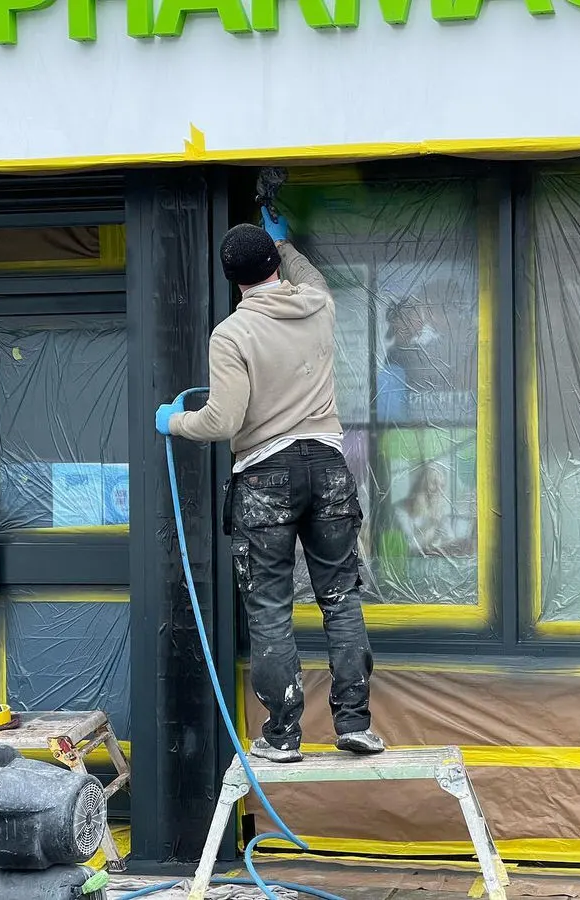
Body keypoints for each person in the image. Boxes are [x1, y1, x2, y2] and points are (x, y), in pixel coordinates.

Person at [155, 208, 384, 763]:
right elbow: (309, 277)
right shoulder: (319, 305)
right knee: (341, 600)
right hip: (329, 468)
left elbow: (222, 422)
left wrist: (174, 422)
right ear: (274, 263)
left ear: (233, 278)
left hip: (265, 477)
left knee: (270, 609)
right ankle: (355, 724)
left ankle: (282, 738)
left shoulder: (232, 333)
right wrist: (283, 241)